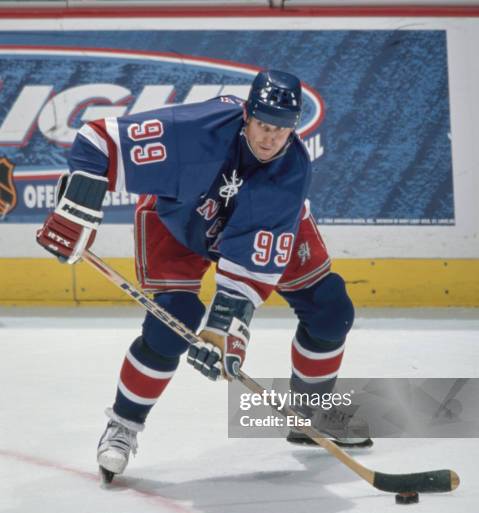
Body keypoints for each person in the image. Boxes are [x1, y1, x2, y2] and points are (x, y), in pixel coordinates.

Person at [36, 69, 371, 481]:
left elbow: (246, 272)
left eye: (282, 130)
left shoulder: (291, 173)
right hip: (178, 222)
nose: (270, 138)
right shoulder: (196, 131)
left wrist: (223, 333)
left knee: (330, 309)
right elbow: (96, 142)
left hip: (261, 226)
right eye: (263, 125)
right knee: (172, 327)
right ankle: (122, 427)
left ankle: (310, 414)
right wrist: (78, 207)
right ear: (246, 115)